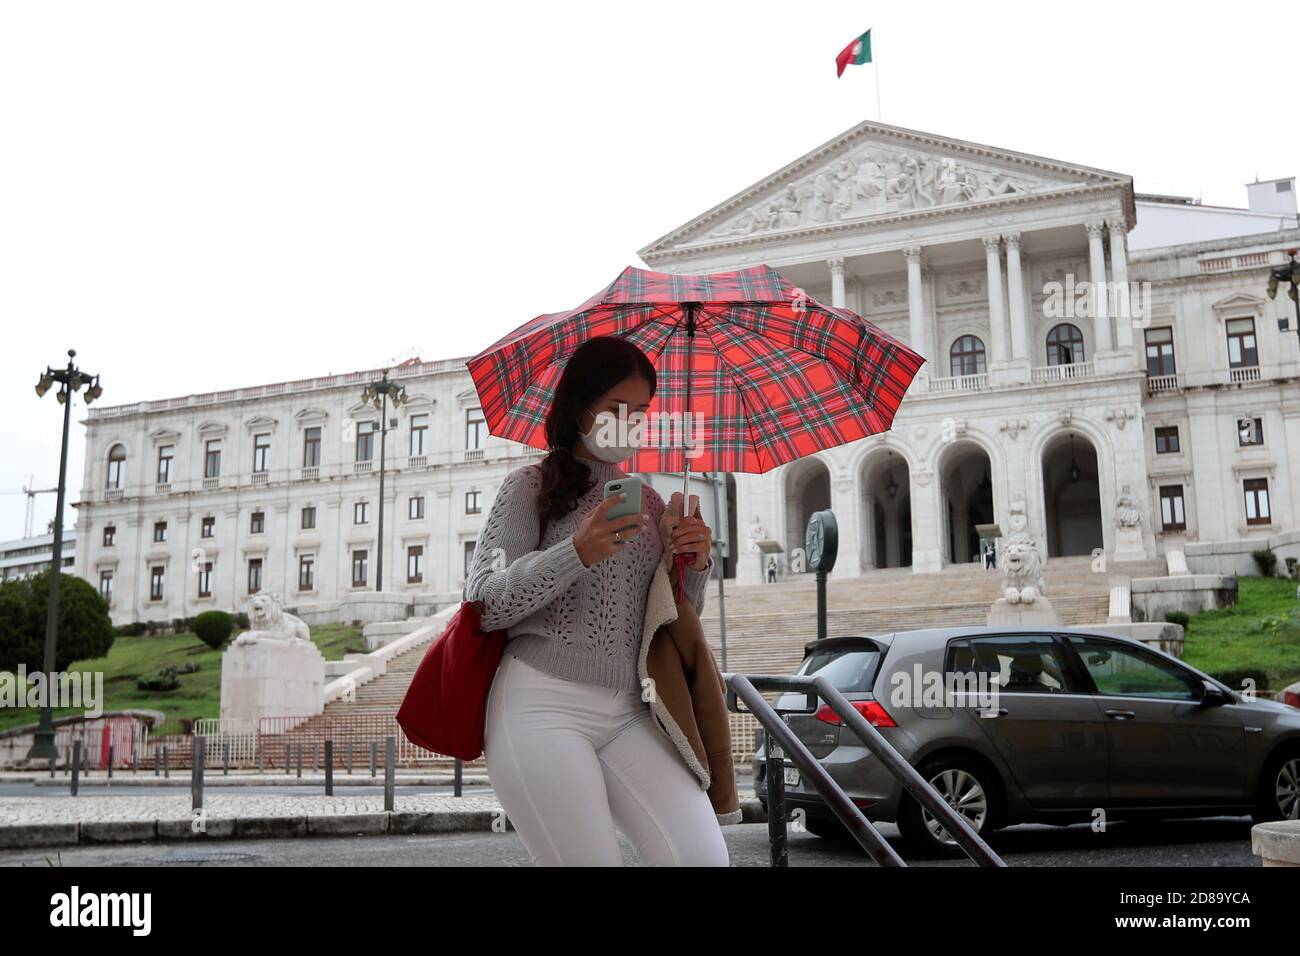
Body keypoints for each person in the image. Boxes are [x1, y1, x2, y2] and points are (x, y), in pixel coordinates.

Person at [464, 335, 730, 866]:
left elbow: (670, 622)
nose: (629, 421)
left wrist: (693, 562)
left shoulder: (652, 504)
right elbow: (486, 601)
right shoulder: (528, 487)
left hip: (633, 709)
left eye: (640, 411)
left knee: (701, 858)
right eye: (615, 408)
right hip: (539, 705)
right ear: (579, 407)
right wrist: (576, 551)